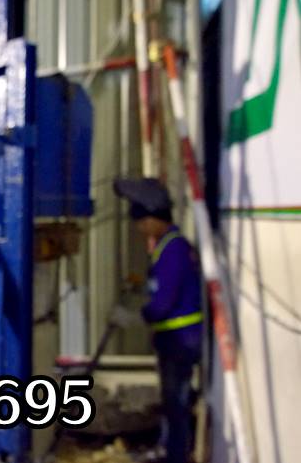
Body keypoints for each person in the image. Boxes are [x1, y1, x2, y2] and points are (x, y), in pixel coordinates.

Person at [114, 178, 203, 463]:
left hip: (181, 340)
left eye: (142, 223)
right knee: (172, 401)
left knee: (176, 403)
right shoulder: (167, 246)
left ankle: (175, 455)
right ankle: (168, 448)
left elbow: (163, 303)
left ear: (153, 219)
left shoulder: (173, 249)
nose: (141, 229)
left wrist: (134, 317)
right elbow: (162, 287)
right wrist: (142, 289)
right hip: (174, 339)